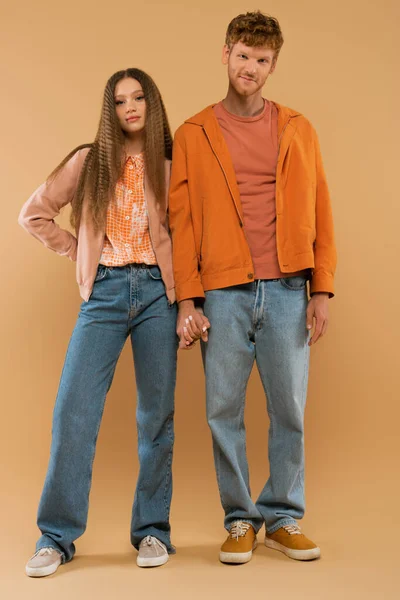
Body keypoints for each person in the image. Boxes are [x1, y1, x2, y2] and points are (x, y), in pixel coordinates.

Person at [169, 11, 336, 564]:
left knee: (288, 407)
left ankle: (284, 515)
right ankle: (240, 519)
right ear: (225, 54)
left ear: (273, 65)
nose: (251, 68)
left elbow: (320, 209)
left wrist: (322, 290)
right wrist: (188, 299)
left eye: (262, 60)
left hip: (289, 287)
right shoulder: (194, 133)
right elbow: (182, 219)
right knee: (223, 409)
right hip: (223, 292)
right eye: (243, 56)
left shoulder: (298, 128)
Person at [19, 68, 177, 576]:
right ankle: (56, 537)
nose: (130, 107)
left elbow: (194, 235)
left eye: (138, 97)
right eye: (120, 100)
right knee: (74, 411)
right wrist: (79, 252)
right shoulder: (89, 161)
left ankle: (153, 532)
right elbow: (34, 214)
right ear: (110, 111)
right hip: (105, 292)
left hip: (159, 295)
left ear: (151, 104)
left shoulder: (172, 164)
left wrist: (191, 301)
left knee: (156, 417)